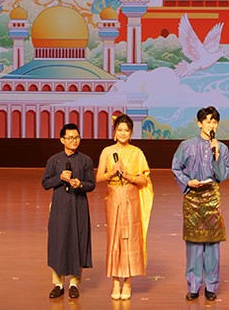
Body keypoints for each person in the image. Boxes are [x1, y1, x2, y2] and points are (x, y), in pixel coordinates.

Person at [171, 106, 229, 301]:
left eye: (214, 121)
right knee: (194, 245)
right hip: (193, 197)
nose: (211, 124)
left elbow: (223, 175)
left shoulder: (221, 148)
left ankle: (212, 286)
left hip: (212, 197)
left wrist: (216, 156)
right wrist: (188, 182)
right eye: (207, 121)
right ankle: (194, 285)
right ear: (199, 123)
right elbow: (176, 167)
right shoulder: (186, 145)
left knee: (213, 244)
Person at [96, 114, 154, 300]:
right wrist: (111, 172)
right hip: (113, 197)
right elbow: (97, 178)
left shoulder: (137, 152)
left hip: (131, 197)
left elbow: (144, 179)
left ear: (131, 133)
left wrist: (128, 176)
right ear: (114, 132)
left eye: (126, 130)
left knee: (130, 238)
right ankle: (115, 282)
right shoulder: (107, 152)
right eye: (119, 130)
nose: (122, 133)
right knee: (114, 238)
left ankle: (127, 283)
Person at [41, 123, 96, 299]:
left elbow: (91, 184)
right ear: (62, 139)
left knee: (77, 241)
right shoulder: (54, 160)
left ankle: (74, 283)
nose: (74, 141)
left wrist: (80, 184)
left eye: (77, 137)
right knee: (59, 242)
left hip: (79, 205)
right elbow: (45, 183)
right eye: (71, 138)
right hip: (60, 207)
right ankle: (58, 283)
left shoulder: (85, 160)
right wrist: (60, 178)